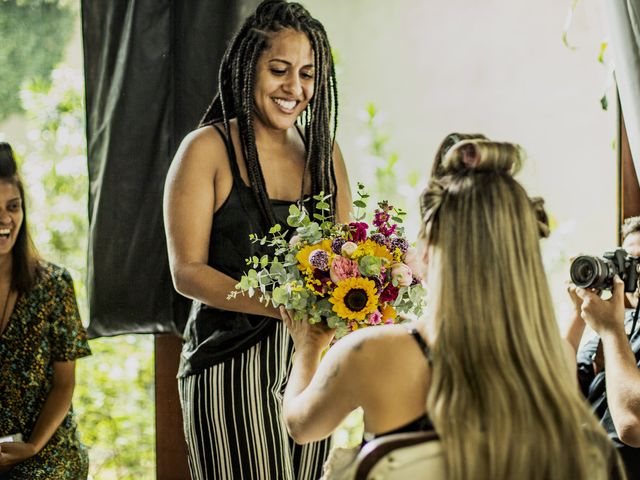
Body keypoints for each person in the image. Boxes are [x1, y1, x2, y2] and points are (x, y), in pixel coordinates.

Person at [281, 137, 623, 479]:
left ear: (428, 250)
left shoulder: (367, 353)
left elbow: (300, 426)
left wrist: (308, 348)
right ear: (524, 259)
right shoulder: (557, 360)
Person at [163, 1, 351, 478]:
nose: (295, 88)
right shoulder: (206, 149)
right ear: (249, 69)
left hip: (312, 362)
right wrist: (284, 308)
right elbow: (187, 272)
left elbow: (345, 257)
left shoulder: (323, 154)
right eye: (279, 70)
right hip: (227, 363)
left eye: (308, 74)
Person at [0, 142, 91, 479]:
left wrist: (33, 446)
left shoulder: (53, 285)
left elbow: (64, 384)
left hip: (46, 446)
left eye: (13, 206)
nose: (5, 219)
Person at [568, 216, 640, 480]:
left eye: (639, 262)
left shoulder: (615, 327)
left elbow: (633, 425)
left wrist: (611, 331)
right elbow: (559, 389)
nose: (633, 270)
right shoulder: (623, 322)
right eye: (627, 261)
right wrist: (578, 315)